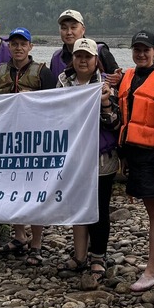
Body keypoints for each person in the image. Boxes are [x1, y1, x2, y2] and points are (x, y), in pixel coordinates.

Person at [57, 38, 120, 288]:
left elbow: (115, 124)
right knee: (78, 207)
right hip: (73, 156)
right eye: (79, 56)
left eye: (88, 57)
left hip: (101, 157)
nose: (83, 60)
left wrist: (105, 102)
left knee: (99, 209)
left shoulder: (107, 85)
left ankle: (98, 257)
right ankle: (80, 255)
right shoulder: (63, 82)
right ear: (73, 58)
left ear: (96, 61)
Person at [0, 27, 56, 265]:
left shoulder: (43, 72)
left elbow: (54, 106)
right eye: (14, 44)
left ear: (30, 47)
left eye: (23, 44)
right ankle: (19, 236)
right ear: (9, 47)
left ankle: (37, 243)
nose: (18, 48)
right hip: (8, 141)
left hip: (34, 142)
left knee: (34, 191)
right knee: (11, 189)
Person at [117, 30, 154, 292]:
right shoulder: (128, 76)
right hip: (135, 152)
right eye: (137, 49)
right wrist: (124, 155)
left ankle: (151, 272)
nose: (141, 54)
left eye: (146, 49)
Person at [49, 9, 122, 86]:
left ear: (83, 29)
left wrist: (119, 77)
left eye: (73, 27)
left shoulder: (100, 51)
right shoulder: (56, 57)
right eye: (64, 28)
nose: (69, 32)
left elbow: (116, 76)